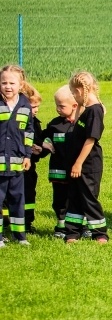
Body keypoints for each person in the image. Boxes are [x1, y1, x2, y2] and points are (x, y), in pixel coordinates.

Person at [64, 71, 109, 244]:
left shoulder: (95, 111)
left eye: (74, 93)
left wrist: (78, 163)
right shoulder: (86, 109)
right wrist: (78, 109)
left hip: (88, 164)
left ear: (81, 91)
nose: (74, 98)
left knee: (89, 197)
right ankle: (73, 232)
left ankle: (100, 233)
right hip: (78, 164)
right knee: (74, 196)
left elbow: (91, 139)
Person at [0, 65, 33, 247]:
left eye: (12, 83)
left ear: (21, 85)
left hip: (17, 165)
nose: (8, 86)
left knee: (18, 200)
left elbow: (28, 132)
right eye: (4, 82)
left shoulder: (24, 104)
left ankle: (20, 236)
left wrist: (27, 155)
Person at [41, 86, 78, 238]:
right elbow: (43, 138)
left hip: (75, 172)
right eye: (56, 105)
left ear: (74, 106)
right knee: (59, 200)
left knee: (76, 199)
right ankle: (61, 225)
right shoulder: (54, 124)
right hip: (58, 173)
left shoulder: (80, 124)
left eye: (61, 106)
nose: (58, 109)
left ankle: (78, 226)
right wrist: (43, 144)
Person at [21, 83, 44, 233]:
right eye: (33, 107)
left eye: (37, 107)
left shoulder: (35, 123)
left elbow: (38, 140)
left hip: (30, 168)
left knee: (29, 195)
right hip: (17, 165)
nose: (36, 110)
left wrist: (40, 148)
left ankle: (28, 222)